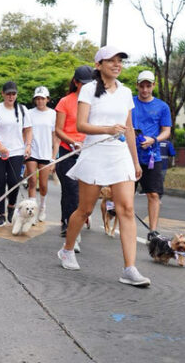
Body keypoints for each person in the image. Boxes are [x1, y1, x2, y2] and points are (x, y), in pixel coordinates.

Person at [57, 46, 150, 287]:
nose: (117, 65)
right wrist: (107, 129)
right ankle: (67, 249)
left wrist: (135, 160)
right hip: (95, 151)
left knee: (126, 209)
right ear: (99, 65)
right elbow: (81, 125)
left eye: (120, 61)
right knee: (85, 210)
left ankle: (130, 268)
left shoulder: (126, 92)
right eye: (111, 61)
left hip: (119, 155)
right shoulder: (88, 90)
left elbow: (129, 128)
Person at [0, 81, 33, 227]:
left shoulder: (22, 109)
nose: (11, 97)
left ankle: (11, 206)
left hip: (16, 152)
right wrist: (0, 145)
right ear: (3, 94)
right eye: (8, 94)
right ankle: (1, 214)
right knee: (0, 182)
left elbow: (28, 129)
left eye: (13, 94)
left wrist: (28, 145)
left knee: (14, 181)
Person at [55, 65, 93, 246]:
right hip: (68, 151)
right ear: (76, 82)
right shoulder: (65, 102)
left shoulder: (95, 102)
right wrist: (72, 142)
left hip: (89, 151)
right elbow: (58, 130)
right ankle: (69, 226)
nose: (86, 87)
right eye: (82, 83)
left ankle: (79, 219)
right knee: (71, 190)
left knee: (85, 191)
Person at [131, 70, 172, 239]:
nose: (145, 89)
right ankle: (123, 224)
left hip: (152, 157)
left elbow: (166, 131)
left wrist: (153, 140)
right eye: (142, 86)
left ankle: (152, 231)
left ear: (153, 85)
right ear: (137, 86)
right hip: (130, 155)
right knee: (126, 194)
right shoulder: (130, 103)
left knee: (153, 194)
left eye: (148, 86)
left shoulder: (162, 107)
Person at [25, 86, 58, 222]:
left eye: (42, 98)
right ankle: (31, 212)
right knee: (32, 181)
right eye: (37, 99)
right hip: (32, 151)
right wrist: (26, 147)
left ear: (47, 99)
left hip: (46, 153)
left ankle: (42, 207)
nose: (40, 101)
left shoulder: (53, 114)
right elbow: (26, 131)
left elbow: (56, 137)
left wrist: (53, 157)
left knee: (43, 185)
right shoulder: (29, 113)